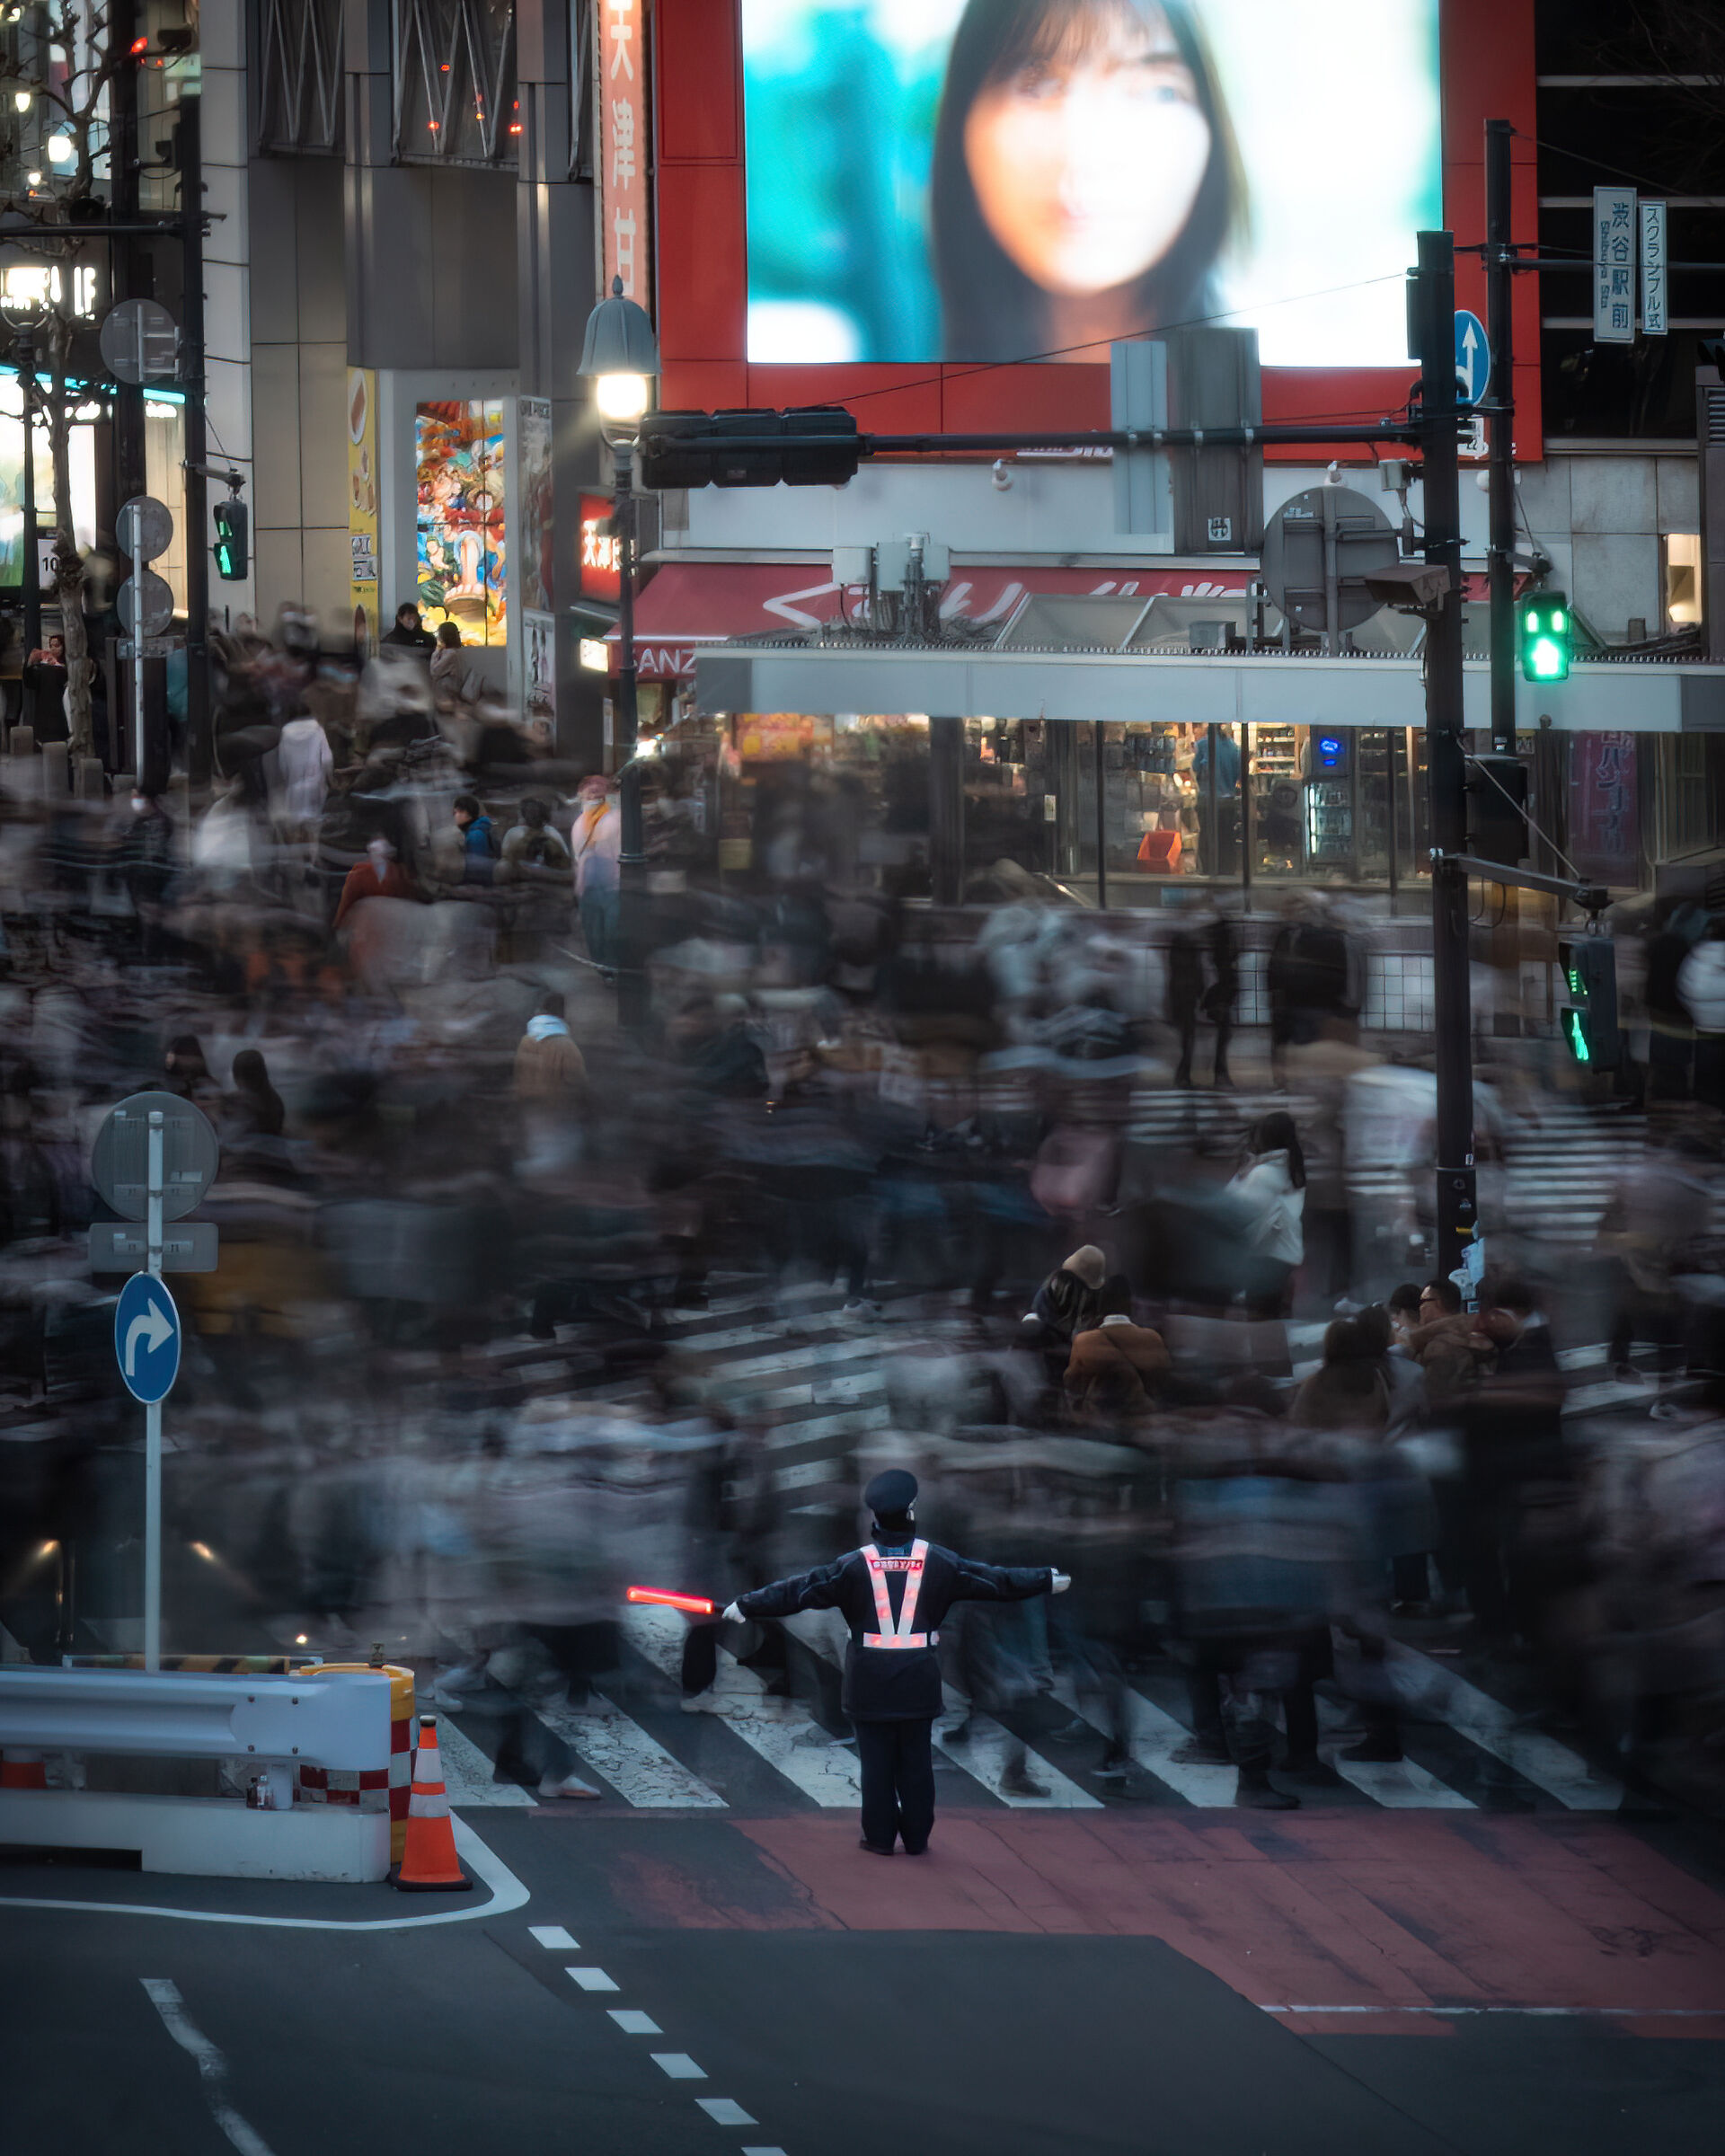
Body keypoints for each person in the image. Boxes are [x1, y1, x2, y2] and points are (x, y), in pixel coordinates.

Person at [726, 1470, 1069, 1855]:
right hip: (918, 1679)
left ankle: (879, 1838)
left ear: (875, 1519)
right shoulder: (940, 1561)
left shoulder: (853, 1565)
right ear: (911, 1512)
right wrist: (1044, 1579)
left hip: (868, 1682)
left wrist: (747, 1604)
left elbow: (800, 1590)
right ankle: (918, 1838)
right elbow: (995, 1581)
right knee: (916, 1766)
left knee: (876, 1768)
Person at [930, 0, 1246, 362]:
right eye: (1036, 84)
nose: (1083, 150)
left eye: (1157, 90)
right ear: (961, 124)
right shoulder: (898, 407)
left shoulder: (1287, 404)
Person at [1228, 1111, 1305, 1318]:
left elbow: (1235, 1209)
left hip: (1265, 1256)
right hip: (1284, 1255)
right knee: (1273, 1317)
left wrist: (1240, 1177)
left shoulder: (1263, 1174)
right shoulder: (1291, 1168)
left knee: (1260, 1319)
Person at [1064, 1273, 1169, 1423]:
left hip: (1100, 1422)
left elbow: (1071, 1382)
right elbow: (1162, 1380)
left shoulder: (1085, 1341)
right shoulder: (1153, 1338)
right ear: (1130, 1304)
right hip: (1142, 1420)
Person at [570, 773, 622, 978]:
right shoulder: (579, 823)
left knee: (611, 933)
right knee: (594, 935)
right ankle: (604, 971)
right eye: (589, 789)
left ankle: (612, 971)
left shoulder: (617, 817)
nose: (593, 792)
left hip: (614, 886)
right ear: (581, 794)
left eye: (599, 789)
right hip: (589, 887)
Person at [513, 991, 586, 1104]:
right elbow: (578, 1079)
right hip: (556, 1108)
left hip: (528, 1107)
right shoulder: (566, 1045)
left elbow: (518, 1072)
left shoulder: (526, 1041)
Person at [333, 832, 415, 929]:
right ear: (370, 851)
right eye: (374, 850)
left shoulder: (399, 871)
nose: (377, 854)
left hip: (393, 925)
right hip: (367, 925)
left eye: (381, 851)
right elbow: (348, 899)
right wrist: (340, 923)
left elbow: (408, 897)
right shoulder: (360, 872)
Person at [226, 1047, 286, 1139]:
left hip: (247, 1150)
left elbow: (231, 1136)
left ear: (236, 1076)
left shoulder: (242, 1103)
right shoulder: (274, 1099)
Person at [429, 619, 478, 704]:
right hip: (449, 691)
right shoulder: (454, 652)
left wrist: (436, 652)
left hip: (447, 693)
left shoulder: (450, 654)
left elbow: (435, 671)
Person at [452, 792, 497, 877]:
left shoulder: (475, 835)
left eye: (460, 811)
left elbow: (478, 869)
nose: (456, 815)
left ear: (470, 814)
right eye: (455, 812)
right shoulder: (472, 830)